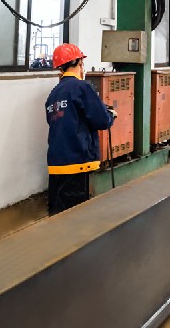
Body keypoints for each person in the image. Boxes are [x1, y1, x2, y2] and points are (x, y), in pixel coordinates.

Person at [44, 44, 117, 215]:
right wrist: (111, 115)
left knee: (57, 212)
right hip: (77, 161)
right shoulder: (81, 87)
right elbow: (101, 120)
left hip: (56, 163)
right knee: (74, 215)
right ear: (79, 63)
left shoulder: (53, 94)